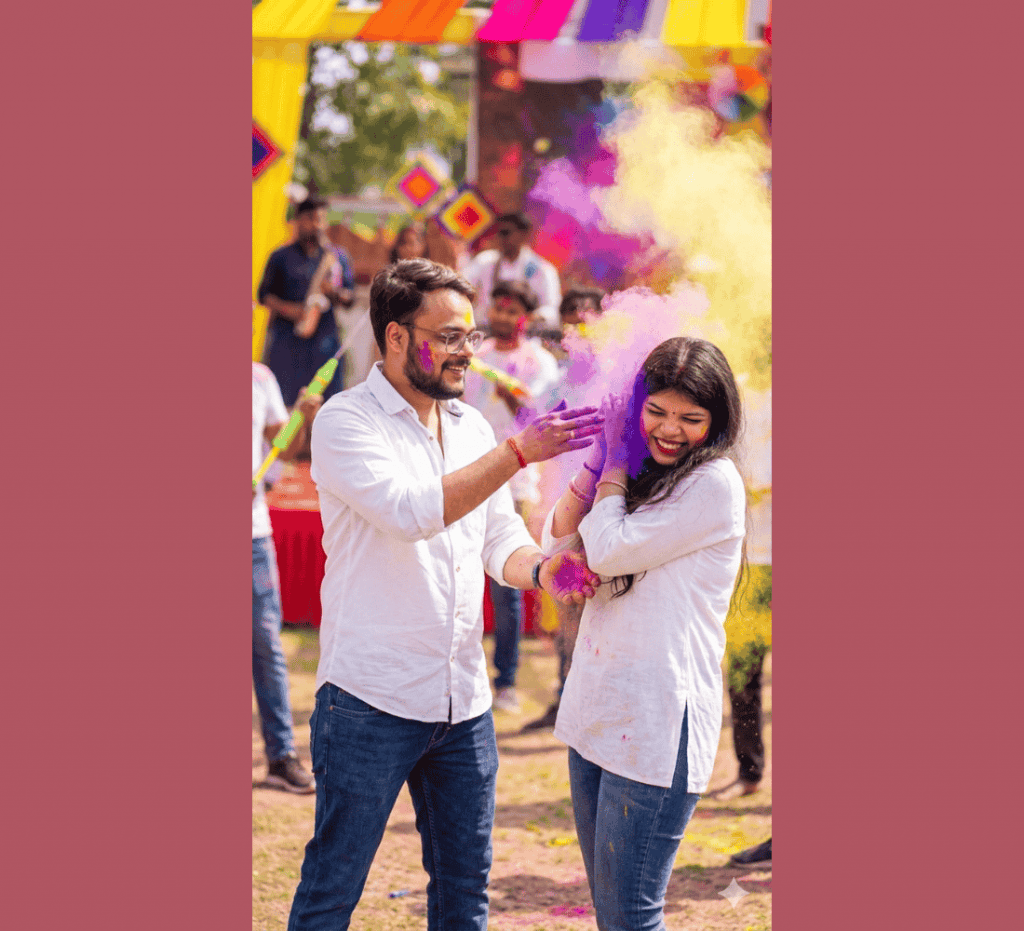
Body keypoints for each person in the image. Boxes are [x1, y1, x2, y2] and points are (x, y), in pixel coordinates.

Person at [287, 258, 606, 931]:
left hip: (464, 700)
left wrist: (546, 571)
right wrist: (518, 453)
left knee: (465, 891)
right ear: (395, 337)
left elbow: (499, 541)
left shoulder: (469, 427)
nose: (467, 352)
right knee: (332, 888)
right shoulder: (347, 421)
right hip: (370, 697)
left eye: (472, 335)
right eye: (451, 335)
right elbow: (410, 512)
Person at [542, 336, 747, 931]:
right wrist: (600, 459)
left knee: (631, 914)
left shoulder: (714, 482)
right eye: (655, 411)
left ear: (716, 421)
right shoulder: (638, 470)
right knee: (613, 913)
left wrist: (610, 464)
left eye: (691, 418)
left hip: (659, 721)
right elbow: (560, 530)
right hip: (600, 705)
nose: (670, 430)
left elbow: (604, 549)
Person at [462, 280, 560, 711]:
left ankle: (507, 681)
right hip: (468, 476)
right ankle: (463, 675)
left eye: (512, 310)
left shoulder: (538, 362)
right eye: (497, 308)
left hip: (516, 482)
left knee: (507, 584)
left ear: (528, 317)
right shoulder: (475, 355)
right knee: (460, 576)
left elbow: (537, 417)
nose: (502, 317)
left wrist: (510, 391)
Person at [521, 287, 606, 732]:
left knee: (606, 606)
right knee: (568, 607)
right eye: (571, 315)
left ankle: (595, 702)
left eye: (588, 315)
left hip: (609, 515)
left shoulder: (623, 375)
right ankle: (565, 696)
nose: (579, 324)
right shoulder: (554, 382)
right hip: (565, 517)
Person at [252, 362, 323, 793]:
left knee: (266, 646)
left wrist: (303, 415)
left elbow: (287, 447)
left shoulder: (261, 378)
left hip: (253, 536)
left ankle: (281, 756)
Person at [257, 196, 355, 407]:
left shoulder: (337, 257)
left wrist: (334, 293)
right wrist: (289, 310)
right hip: (287, 342)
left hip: (324, 341)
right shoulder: (280, 256)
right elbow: (263, 294)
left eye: (321, 219)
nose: (317, 224)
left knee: (323, 403)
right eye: (311, 218)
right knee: (284, 403)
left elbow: (350, 298)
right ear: (298, 221)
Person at [462, 211, 561, 330]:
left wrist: (524, 319)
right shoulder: (484, 261)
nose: (501, 238)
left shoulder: (541, 270)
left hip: (524, 336)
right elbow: (461, 288)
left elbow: (551, 310)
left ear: (524, 234)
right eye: (499, 233)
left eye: (506, 233)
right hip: (484, 331)